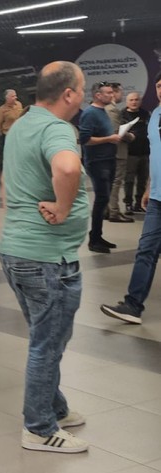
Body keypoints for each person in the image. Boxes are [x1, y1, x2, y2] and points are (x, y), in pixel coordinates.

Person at [1, 61, 90, 453]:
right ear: (68, 93)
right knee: (48, 343)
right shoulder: (57, 129)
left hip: (16, 249)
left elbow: (7, 184)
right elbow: (67, 167)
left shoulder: (21, 125)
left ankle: (55, 406)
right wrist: (65, 208)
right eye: (82, 88)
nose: (84, 95)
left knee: (48, 335)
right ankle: (39, 427)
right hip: (47, 257)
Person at [100, 71, 161, 324]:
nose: (160, 89)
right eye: (159, 85)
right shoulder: (156, 114)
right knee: (146, 250)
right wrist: (148, 188)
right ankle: (132, 306)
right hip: (158, 199)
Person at [79, 81, 122, 253]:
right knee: (101, 199)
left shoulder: (101, 111)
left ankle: (98, 235)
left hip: (108, 159)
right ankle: (94, 239)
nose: (112, 95)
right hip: (97, 162)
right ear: (98, 95)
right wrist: (109, 139)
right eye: (108, 93)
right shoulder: (90, 113)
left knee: (103, 199)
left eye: (112, 92)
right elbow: (85, 140)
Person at [105, 83, 135, 223]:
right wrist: (130, 136)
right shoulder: (112, 110)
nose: (121, 96)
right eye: (120, 93)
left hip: (110, 152)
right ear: (114, 93)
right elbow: (116, 132)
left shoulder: (106, 109)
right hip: (117, 151)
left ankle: (108, 210)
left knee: (111, 182)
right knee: (116, 182)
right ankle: (114, 212)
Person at [121, 92, 151, 215]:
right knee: (129, 180)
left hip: (145, 153)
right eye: (131, 100)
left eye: (136, 100)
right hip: (130, 153)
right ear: (127, 102)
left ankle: (139, 203)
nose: (134, 102)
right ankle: (128, 203)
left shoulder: (145, 114)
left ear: (140, 101)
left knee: (142, 180)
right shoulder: (122, 115)